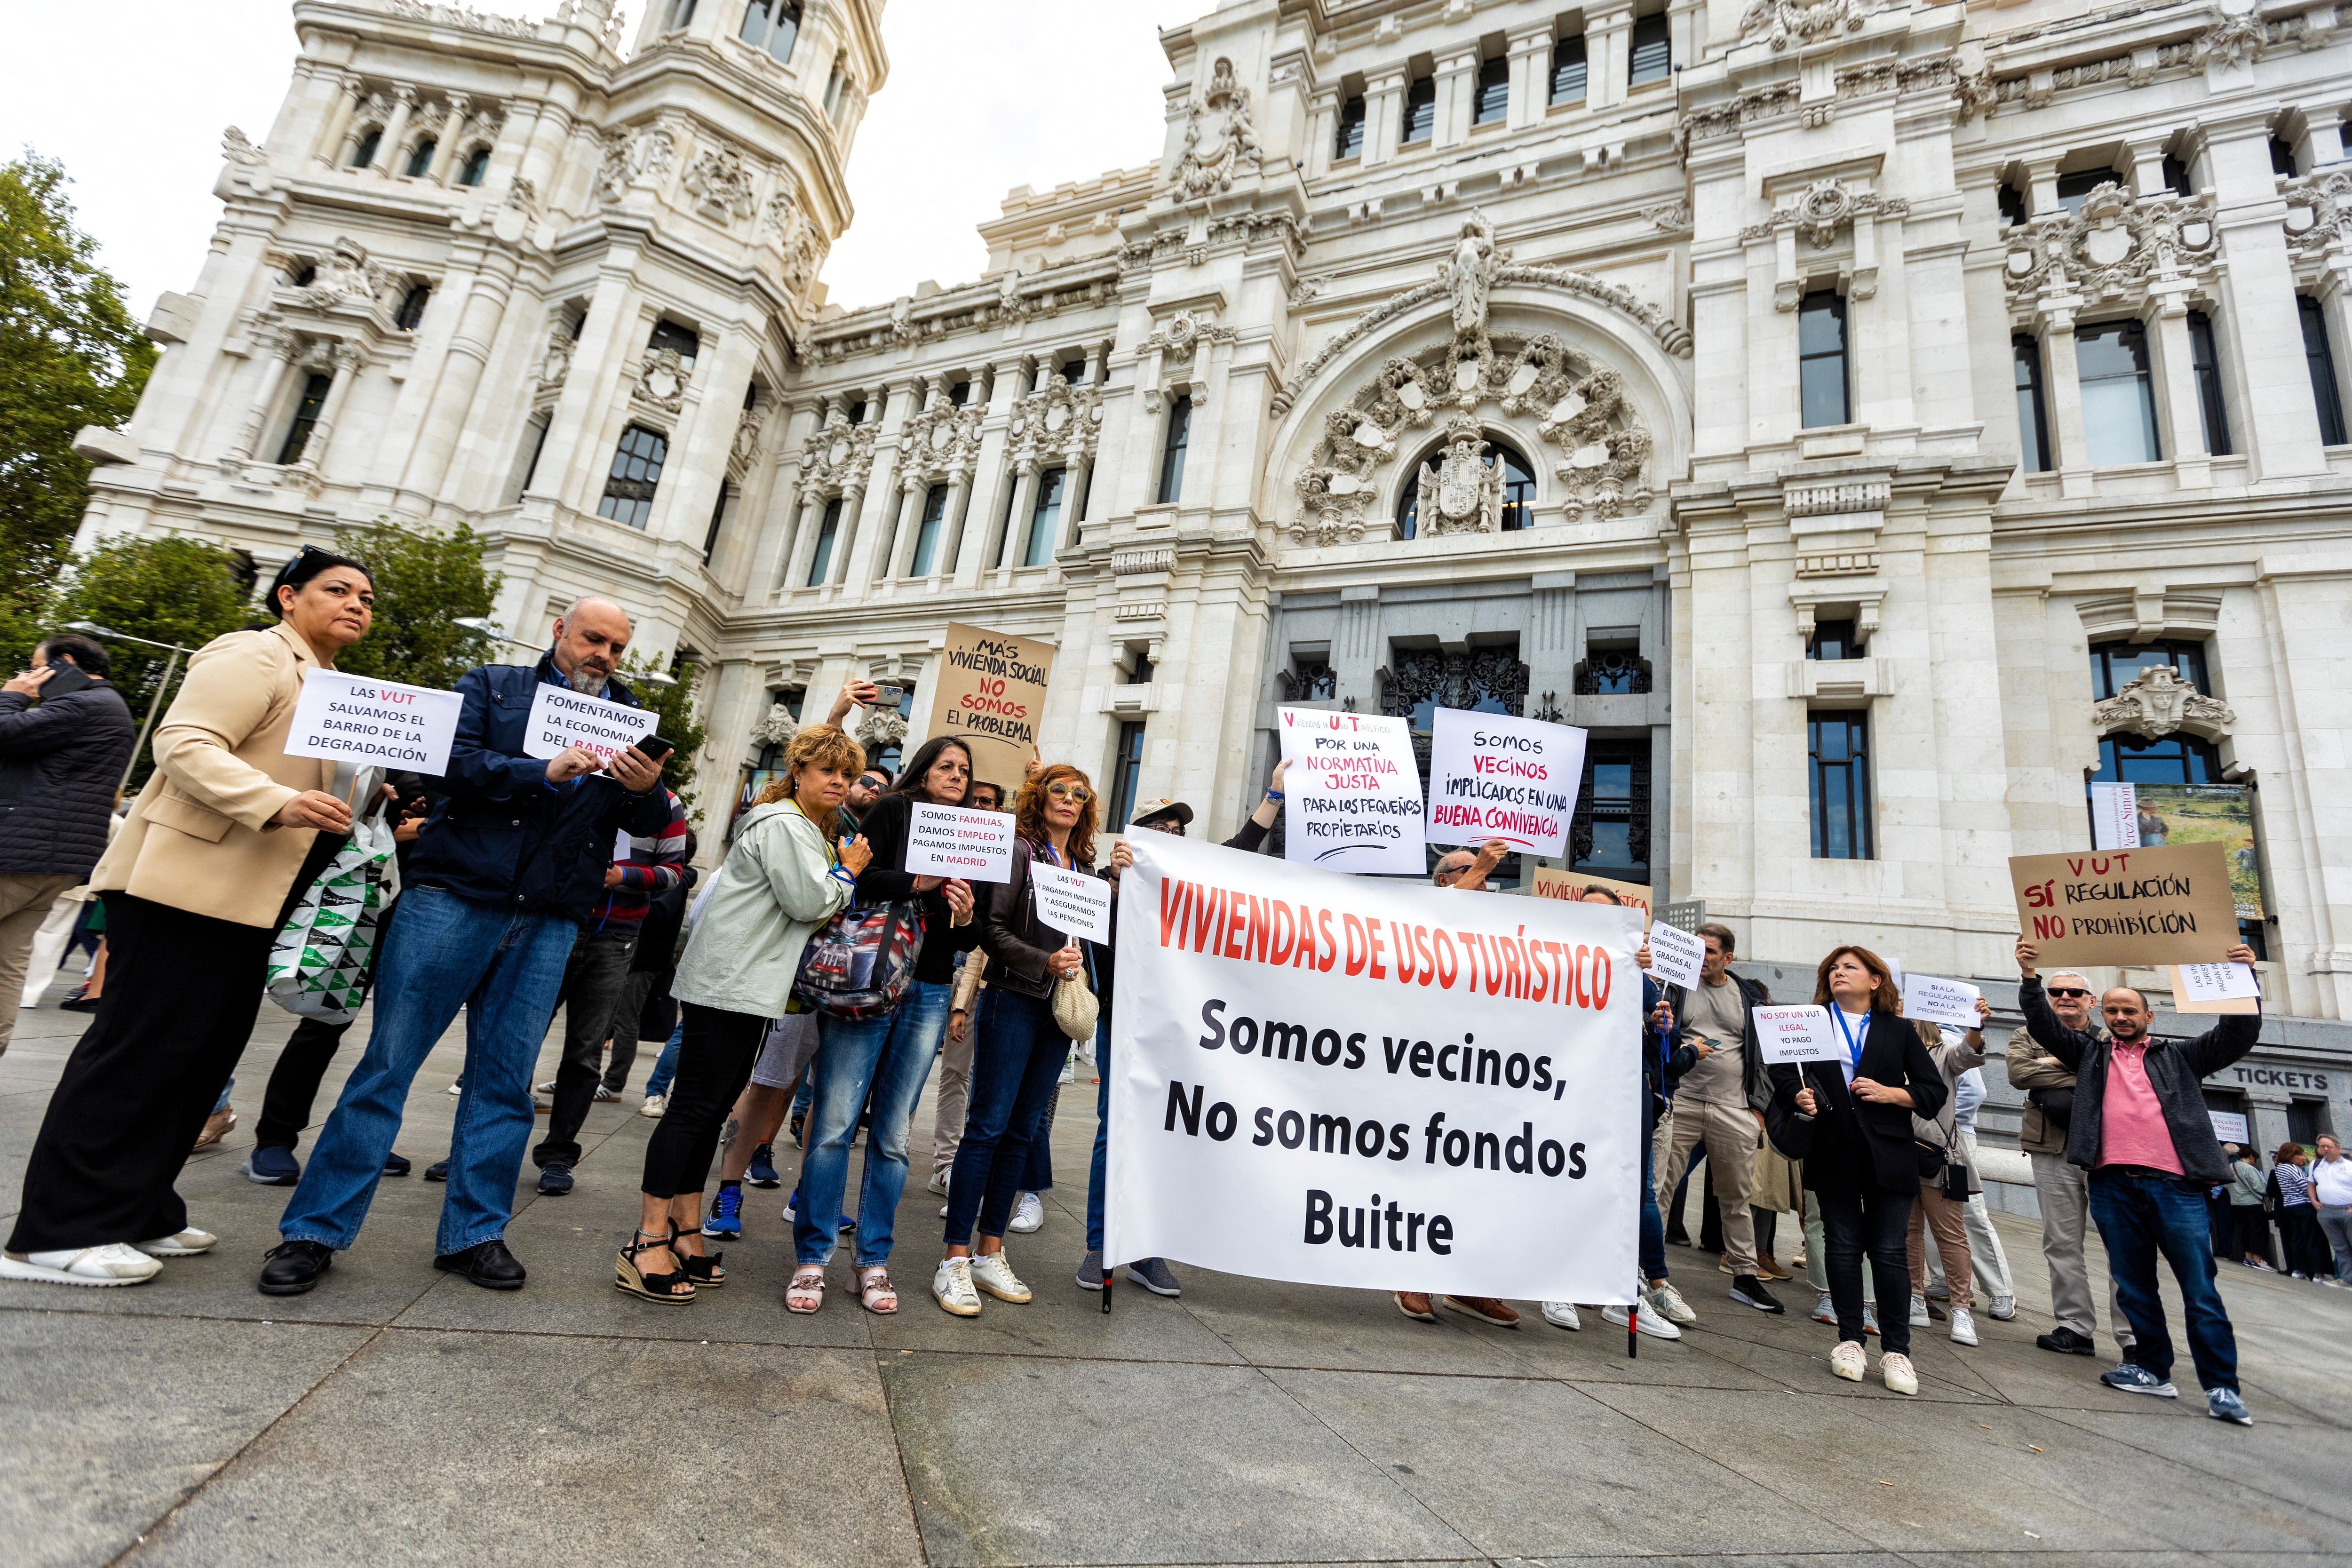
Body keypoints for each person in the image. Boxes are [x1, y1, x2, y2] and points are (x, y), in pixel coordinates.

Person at [260, 596, 671, 1297]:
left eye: (618, 647)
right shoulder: (492, 685)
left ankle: (475, 1234)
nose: (604, 655)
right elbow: (445, 764)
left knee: (506, 1083)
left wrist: (650, 789)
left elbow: (650, 822)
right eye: (593, 639)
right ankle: (314, 1231)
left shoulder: (629, 719)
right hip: (453, 897)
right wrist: (538, 771)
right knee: (387, 1065)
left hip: (548, 917)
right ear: (559, 633)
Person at [2, 549, 375, 1287]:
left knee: (197, 1061)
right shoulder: (255, 655)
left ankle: (138, 1207)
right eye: (338, 590)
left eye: (366, 595)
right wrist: (276, 801)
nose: (357, 603)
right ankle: (56, 1231)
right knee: (137, 1054)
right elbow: (184, 744)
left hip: (247, 900)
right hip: (183, 888)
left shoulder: (333, 684)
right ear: (288, 596)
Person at [618, 725, 862, 1305]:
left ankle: (683, 1227)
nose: (839, 782)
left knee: (707, 1115)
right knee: (692, 1111)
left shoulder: (799, 826)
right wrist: (847, 870)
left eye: (847, 774)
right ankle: (646, 1239)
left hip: (747, 986)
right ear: (797, 771)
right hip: (728, 984)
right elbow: (808, 903)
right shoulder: (783, 824)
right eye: (826, 770)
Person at [2016, 936, 2262, 1426]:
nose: (2120, 1016)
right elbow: (2042, 1025)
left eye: (2129, 1009)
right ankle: (2151, 1368)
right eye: (2111, 1010)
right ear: (2101, 1016)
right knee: (2133, 1284)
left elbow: (2236, 1034)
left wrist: (2242, 980)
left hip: (2174, 1186)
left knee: (2198, 1289)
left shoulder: (2181, 1057)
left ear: (2149, 1017)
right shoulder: (2090, 1057)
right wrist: (2028, 977)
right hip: (2111, 1184)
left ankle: (2221, 1387)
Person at [1078, 768, 1292, 1297]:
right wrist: (1113, 883)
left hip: (1180, 1027)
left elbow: (1241, 846)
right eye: (1159, 824)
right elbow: (1089, 943)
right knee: (1115, 1129)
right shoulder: (1111, 879)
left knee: (1167, 1132)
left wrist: (1274, 793)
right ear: (1136, 833)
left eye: (1178, 828)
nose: (1171, 833)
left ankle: (1148, 1252)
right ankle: (1100, 1246)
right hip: (1123, 1022)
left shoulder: (1189, 881)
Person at [788, 736, 981, 1313]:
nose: (957, 776)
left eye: (964, 770)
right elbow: (856, 881)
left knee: (894, 1137)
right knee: (833, 1124)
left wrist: (966, 915)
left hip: (926, 990)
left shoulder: (974, 832)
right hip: (869, 980)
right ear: (923, 770)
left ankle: (872, 1260)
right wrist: (917, 884)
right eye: (946, 766)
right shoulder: (895, 810)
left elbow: (970, 938)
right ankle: (812, 1257)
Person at [933, 764, 1103, 1316]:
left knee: (1021, 1133)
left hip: (1057, 1013)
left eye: (1080, 795)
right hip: (1011, 1000)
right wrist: (1043, 961)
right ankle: (954, 1259)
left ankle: (991, 1250)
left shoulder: (1082, 866)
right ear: (1039, 796)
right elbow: (990, 928)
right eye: (1059, 790)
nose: (1070, 800)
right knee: (985, 1129)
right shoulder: (1018, 851)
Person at [1769, 945, 1945, 1394]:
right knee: (1843, 1246)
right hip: (1832, 1147)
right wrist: (1799, 1097)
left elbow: (1932, 1090)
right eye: (1832, 968)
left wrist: (1892, 1094)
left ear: (1875, 980)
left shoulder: (1897, 1029)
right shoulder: (1808, 1021)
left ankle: (1897, 1350)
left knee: (1889, 1251)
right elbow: (1786, 1075)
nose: (1838, 973)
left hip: (1889, 1152)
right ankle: (1849, 1340)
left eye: (1850, 967)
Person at [241, 788, 434, 1185]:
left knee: (399, 1029)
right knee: (325, 1019)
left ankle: (366, 1135)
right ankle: (275, 1137)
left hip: (434, 895)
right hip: (365, 887)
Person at [1542, 886, 1691, 1339]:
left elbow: (1660, 1036)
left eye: (1607, 916)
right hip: (1567, 1087)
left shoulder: (1637, 972)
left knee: (1626, 1188)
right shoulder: (1550, 957)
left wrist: (1658, 1022)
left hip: (1627, 1091)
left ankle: (1621, 1293)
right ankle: (1559, 1282)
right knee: (1566, 1181)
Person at [1387, 839, 1525, 1329]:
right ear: (1443, 881)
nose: (1485, 879)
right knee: (1425, 1173)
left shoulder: (1501, 927)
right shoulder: (1427, 911)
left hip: (1487, 1071)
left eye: (1488, 874)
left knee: (1480, 1181)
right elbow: (1432, 927)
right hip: (1430, 1067)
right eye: (1471, 872)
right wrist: (1480, 864)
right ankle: (1413, 1276)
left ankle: (1469, 1286)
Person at [530, 783, 688, 1194]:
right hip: (550, 921)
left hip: (615, 935)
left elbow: (674, 872)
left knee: (585, 1051)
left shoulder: (666, 803)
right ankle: (486, 1148)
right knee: (518, 1039)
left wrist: (621, 876)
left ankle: (559, 1155)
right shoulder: (574, 780)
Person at [0, 631, 135, 1059]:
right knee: (8, 963)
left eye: (35, 666)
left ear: (65, 663)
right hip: (52, 860)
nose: (29, 676)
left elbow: (5, 730)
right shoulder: (107, 707)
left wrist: (12, 696)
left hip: (20, 852)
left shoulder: (83, 704)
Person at [2006, 969, 2137, 1359]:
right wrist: (2083, 1070)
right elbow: (2017, 1073)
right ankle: (2075, 1327)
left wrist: (2051, 1066)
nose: (2065, 996)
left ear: (2090, 1000)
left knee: (2123, 1246)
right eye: (2057, 990)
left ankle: (2132, 1336)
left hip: (2108, 1152)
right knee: (2061, 1243)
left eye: (2075, 991)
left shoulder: (2112, 1036)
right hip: (2052, 1149)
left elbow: (2121, 1078)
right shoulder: (2025, 1034)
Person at [1657, 923, 1784, 1314]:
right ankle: (1645, 1267)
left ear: (1728, 958)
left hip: (1734, 1108)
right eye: (1697, 949)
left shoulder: (1748, 996)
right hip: (1684, 1100)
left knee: (1737, 1198)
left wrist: (1758, 1108)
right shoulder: (1674, 987)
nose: (1702, 957)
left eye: (1710, 951)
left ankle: (1745, 1276)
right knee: (1661, 1186)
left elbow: (1764, 1056)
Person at [933, 774, 1014, 1192]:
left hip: (978, 978)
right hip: (931, 972)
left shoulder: (1004, 859)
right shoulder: (941, 840)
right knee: (948, 1076)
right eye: (975, 801)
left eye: (990, 802)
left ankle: (959, 1164)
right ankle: (943, 1162)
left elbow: (985, 941)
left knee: (977, 1079)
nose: (982, 808)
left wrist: (963, 1002)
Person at [1903, 1003, 1994, 1347]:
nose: (1903, 1024)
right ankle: (1914, 1295)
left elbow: (1969, 1052)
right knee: (1909, 1230)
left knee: (1950, 1234)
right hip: (1898, 1155)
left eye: (1908, 1018)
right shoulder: (1887, 1055)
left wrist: (1976, 1024)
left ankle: (1961, 1310)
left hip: (1936, 1156)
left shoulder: (1942, 1053)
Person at [1923, 1065, 2017, 1320]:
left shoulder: (1950, 1040)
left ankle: (2000, 1289)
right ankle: (1943, 1279)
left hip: (1954, 1138)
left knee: (1969, 1213)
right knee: (1930, 1208)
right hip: (1926, 1138)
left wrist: (1942, 1118)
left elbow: (1975, 1092)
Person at [2269, 1143, 2327, 1280]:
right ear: (2290, 1156)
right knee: (2312, 1239)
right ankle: (2317, 1273)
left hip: (2290, 1207)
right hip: (2303, 1206)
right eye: (2300, 1155)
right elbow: (2305, 1187)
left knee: (2297, 1239)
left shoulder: (2279, 1169)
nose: (2303, 1158)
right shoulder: (2292, 1168)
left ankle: (2299, 1270)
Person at [2310, 1134, 2351, 1286]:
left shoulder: (2349, 1166)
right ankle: (2348, 1278)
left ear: (2339, 1149)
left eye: (2329, 1147)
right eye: (2322, 1147)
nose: (2326, 1149)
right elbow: (2311, 1185)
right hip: (2326, 1212)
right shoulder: (2316, 1164)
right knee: (2340, 1247)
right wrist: (2314, 1201)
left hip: (2347, 1210)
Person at [2226, 1145, 2273, 1269]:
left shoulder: (2230, 1167)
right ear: (2251, 1156)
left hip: (2236, 1203)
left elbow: (2226, 1185)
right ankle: (2258, 1260)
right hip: (2253, 1204)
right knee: (2257, 1232)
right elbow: (2260, 1187)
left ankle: (2248, 1258)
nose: (2254, 1161)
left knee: (2244, 1231)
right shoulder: (2250, 1169)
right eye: (2254, 1159)